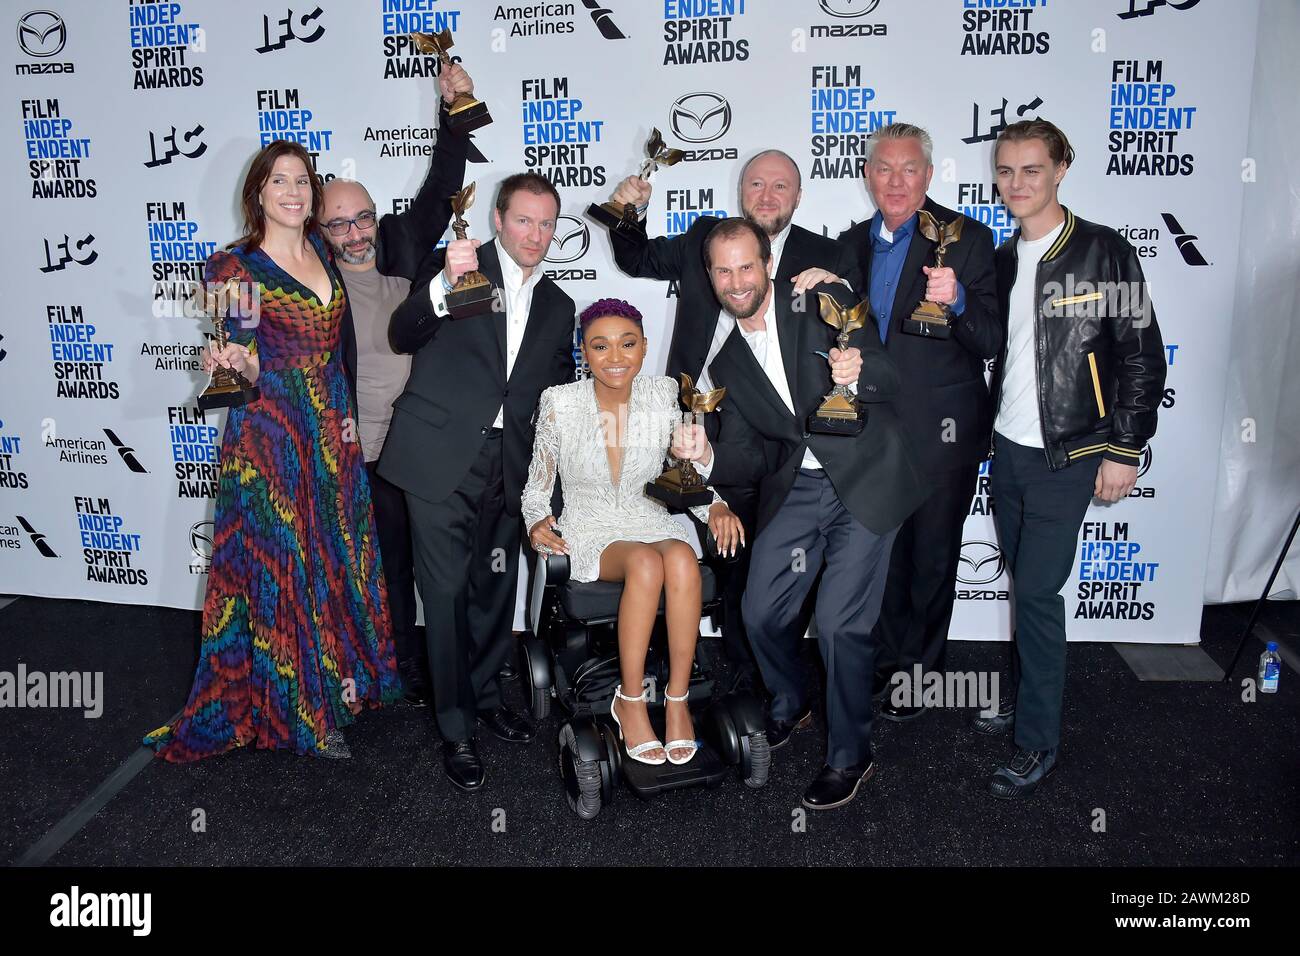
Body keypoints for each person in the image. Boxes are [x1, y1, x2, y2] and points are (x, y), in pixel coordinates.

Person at [146, 141, 401, 762]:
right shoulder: (230, 268)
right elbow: (241, 350)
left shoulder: (321, 248)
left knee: (336, 550)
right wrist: (232, 359)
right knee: (285, 560)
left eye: (302, 181)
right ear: (257, 191)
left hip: (333, 428)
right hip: (271, 434)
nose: (293, 191)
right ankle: (295, 708)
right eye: (279, 181)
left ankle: (340, 684)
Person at [675, 218, 926, 809]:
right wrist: (707, 454)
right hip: (800, 494)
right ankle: (792, 703)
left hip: (865, 480)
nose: (737, 281)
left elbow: (890, 377)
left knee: (841, 625)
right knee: (759, 610)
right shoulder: (727, 362)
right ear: (710, 277)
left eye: (746, 266)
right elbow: (752, 452)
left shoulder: (820, 300)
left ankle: (850, 754)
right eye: (723, 270)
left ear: (768, 264)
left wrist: (858, 371)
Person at [599, 149, 858, 694]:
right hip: (697, 418)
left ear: (799, 195)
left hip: (778, 432)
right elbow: (637, 259)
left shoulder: (827, 255)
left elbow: (855, 337)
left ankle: (771, 674)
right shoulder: (703, 239)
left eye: (780, 186)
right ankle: (735, 670)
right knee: (720, 543)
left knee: (770, 549)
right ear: (741, 190)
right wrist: (627, 215)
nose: (767, 196)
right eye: (756, 184)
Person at [977, 119, 1166, 798]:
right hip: (1009, 453)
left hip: (1074, 454)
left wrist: (1125, 448)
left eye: (1031, 169)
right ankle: (1027, 700)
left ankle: (1038, 741)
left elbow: (1143, 354)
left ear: (1061, 169)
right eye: (1005, 170)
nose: (1016, 183)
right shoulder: (1000, 259)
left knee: (1035, 593)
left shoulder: (1103, 252)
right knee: (1022, 588)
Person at [379, 173, 577, 791]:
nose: (536, 236)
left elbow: (554, 400)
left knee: (493, 587)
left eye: (547, 224)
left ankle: (487, 696)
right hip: (439, 457)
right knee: (441, 594)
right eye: (524, 221)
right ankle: (456, 725)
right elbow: (401, 333)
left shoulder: (559, 305)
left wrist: (556, 484)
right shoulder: (457, 266)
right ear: (497, 219)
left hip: (510, 467)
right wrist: (442, 285)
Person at [521, 299, 744, 765]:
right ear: (583, 351)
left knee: (682, 557)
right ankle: (630, 700)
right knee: (645, 561)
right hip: (590, 527)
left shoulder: (664, 394)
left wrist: (717, 506)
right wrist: (537, 521)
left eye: (627, 344)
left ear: (644, 347)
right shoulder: (559, 402)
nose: (615, 357)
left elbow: (682, 475)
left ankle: (678, 699)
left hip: (649, 518)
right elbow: (536, 492)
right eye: (600, 346)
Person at [833, 123, 1001, 721]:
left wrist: (957, 301)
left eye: (909, 170)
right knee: (881, 558)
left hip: (941, 433)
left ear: (929, 176)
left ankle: (921, 677)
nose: (896, 181)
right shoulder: (849, 245)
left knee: (931, 559)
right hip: (872, 436)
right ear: (868, 175)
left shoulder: (969, 241)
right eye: (884, 168)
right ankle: (881, 664)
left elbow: (991, 338)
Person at [319, 62, 473, 705]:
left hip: (424, 441)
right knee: (385, 566)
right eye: (339, 225)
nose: (355, 235)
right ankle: (394, 665)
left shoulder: (402, 243)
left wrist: (457, 105)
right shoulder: (310, 281)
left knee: (438, 569)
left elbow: (443, 184)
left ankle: (444, 672)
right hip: (360, 450)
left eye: (362, 219)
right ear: (319, 232)